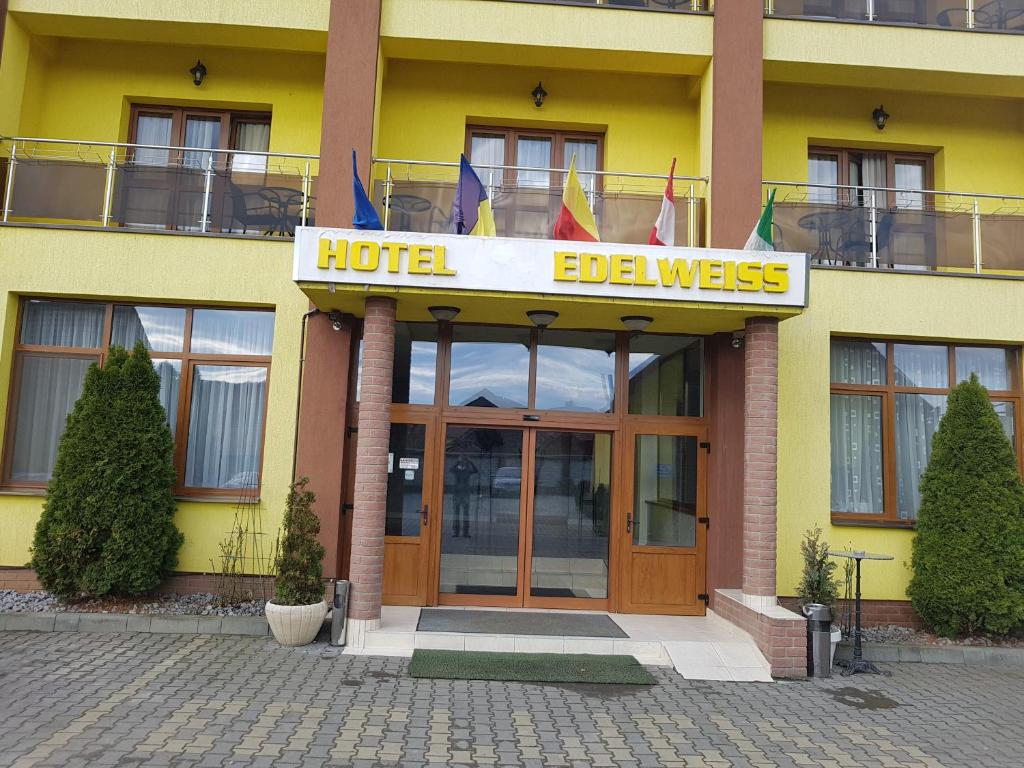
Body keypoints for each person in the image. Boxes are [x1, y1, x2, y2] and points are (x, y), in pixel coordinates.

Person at [449, 453, 478, 538]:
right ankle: (456, 532)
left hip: (465, 493)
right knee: (456, 513)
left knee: (465, 514)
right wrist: (457, 462)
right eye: (462, 461)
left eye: (464, 461)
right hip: (457, 493)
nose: (463, 463)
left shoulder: (467, 470)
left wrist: (471, 462)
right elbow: (451, 470)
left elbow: (476, 470)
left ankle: (465, 532)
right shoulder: (457, 470)